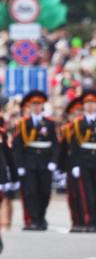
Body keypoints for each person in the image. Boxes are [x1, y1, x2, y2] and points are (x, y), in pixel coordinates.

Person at [13, 90, 58, 231]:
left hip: (45, 162)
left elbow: (56, 144)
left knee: (45, 191)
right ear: (29, 106)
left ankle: (41, 217)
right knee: (30, 192)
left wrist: (53, 161)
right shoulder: (23, 124)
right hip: (29, 162)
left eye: (39, 104)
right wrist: (19, 164)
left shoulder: (50, 123)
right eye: (33, 104)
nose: (36, 107)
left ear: (43, 106)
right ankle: (33, 219)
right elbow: (17, 146)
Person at [65, 92, 96, 232]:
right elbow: (74, 146)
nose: (90, 106)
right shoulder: (78, 123)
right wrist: (76, 164)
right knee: (87, 193)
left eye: (93, 103)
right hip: (84, 160)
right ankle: (89, 221)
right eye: (87, 103)